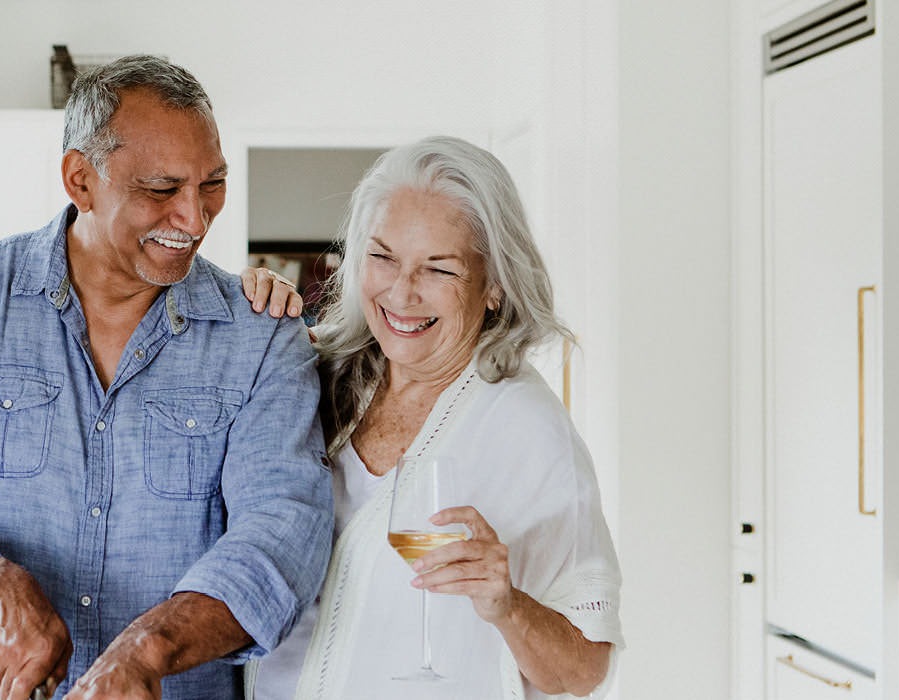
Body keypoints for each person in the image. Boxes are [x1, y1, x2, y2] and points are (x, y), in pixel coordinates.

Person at [0, 55, 333, 700]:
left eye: (212, 184)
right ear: (80, 180)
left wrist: (149, 650)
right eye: (162, 190)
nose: (195, 220)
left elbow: (282, 533)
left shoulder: (261, 335)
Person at [240, 136, 622, 699]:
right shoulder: (314, 376)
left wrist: (507, 604)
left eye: (438, 269)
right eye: (383, 256)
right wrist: (248, 310)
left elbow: (584, 669)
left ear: (493, 285)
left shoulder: (527, 430)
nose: (401, 292)